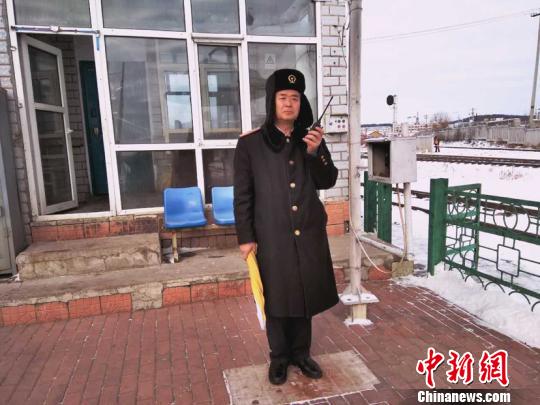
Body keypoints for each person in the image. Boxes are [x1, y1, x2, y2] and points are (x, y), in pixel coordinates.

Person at [233, 69, 339, 385]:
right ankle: (279, 357)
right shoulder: (250, 144)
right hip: (271, 235)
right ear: (272, 101)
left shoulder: (310, 139)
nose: (289, 103)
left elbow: (327, 180)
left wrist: (315, 153)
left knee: (304, 294)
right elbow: (243, 195)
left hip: (307, 232)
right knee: (277, 297)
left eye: (295, 97)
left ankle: (301, 354)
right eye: (283, 97)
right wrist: (246, 237)